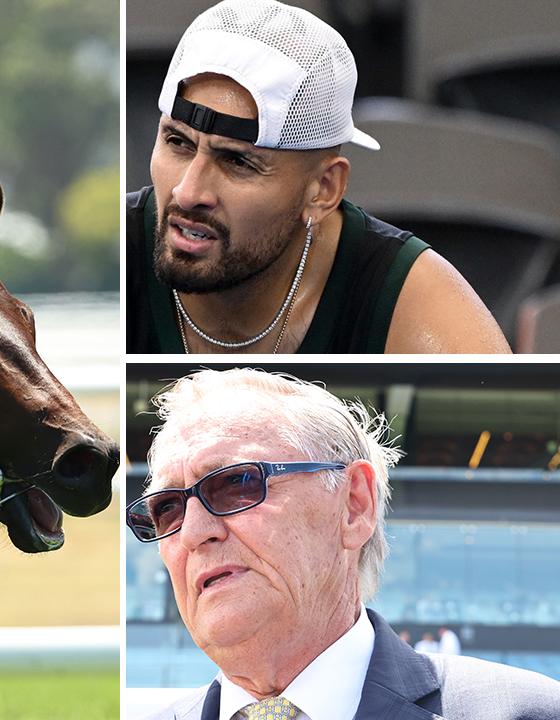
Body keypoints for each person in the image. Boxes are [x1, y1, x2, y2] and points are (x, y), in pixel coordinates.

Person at [126, 369, 559, 719]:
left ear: (354, 505)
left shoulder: (526, 712)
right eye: (167, 509)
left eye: (237, 483)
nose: (194, 532)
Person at [126, 0, 510, 354]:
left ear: (323, 190)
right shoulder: (119, 253)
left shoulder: (411, 298)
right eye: (178, 142)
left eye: (238, 162)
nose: (189, 192)